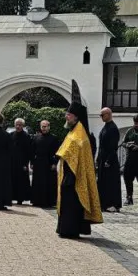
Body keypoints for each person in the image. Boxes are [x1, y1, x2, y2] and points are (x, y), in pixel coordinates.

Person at [55, 102, 103, 239]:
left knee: (72, 204)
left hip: (74, 176)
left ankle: (70, 230)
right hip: (69, 174)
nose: (66, 117)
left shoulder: (79, 135)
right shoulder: (74, 131)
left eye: (69, 115)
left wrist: (69, 177)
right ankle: (65, 229)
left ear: (76, 117)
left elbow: (74, 155)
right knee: (68, 203)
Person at [95, 108, 122, 212]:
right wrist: (98, 158)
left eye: (102, 115)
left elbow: (113, 147)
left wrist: (108, 161)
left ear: (108, 114)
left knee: (111, 183)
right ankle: (103, 203)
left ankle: (113, 204)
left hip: (109, 160)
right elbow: (101, 145)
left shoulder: (113, 128)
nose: (101, 117)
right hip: (102, 158)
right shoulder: (105, 127)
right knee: (102, 182)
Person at [8, 117, 32, 205]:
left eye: (20, 125)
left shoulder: (26, 136)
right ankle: (11, 197)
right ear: (14, 125)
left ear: (23, 126)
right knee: (11, 180)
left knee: (21, 182)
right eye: (17, 125)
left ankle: (20, 199)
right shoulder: (11, 135)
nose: (18, 126)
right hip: (12, 162)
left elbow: (29, 152)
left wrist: (26, 164)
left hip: (22, 163)